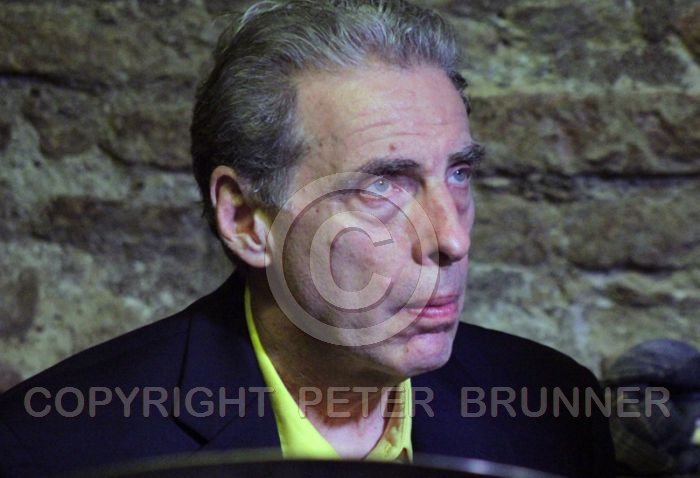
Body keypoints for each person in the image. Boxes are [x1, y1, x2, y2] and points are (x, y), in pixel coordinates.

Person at [0, 1, 615, 476]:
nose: (453, 238)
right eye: (384, 185)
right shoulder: (51, 448)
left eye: (458, 173)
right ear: (246, 220)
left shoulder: (556, 411)